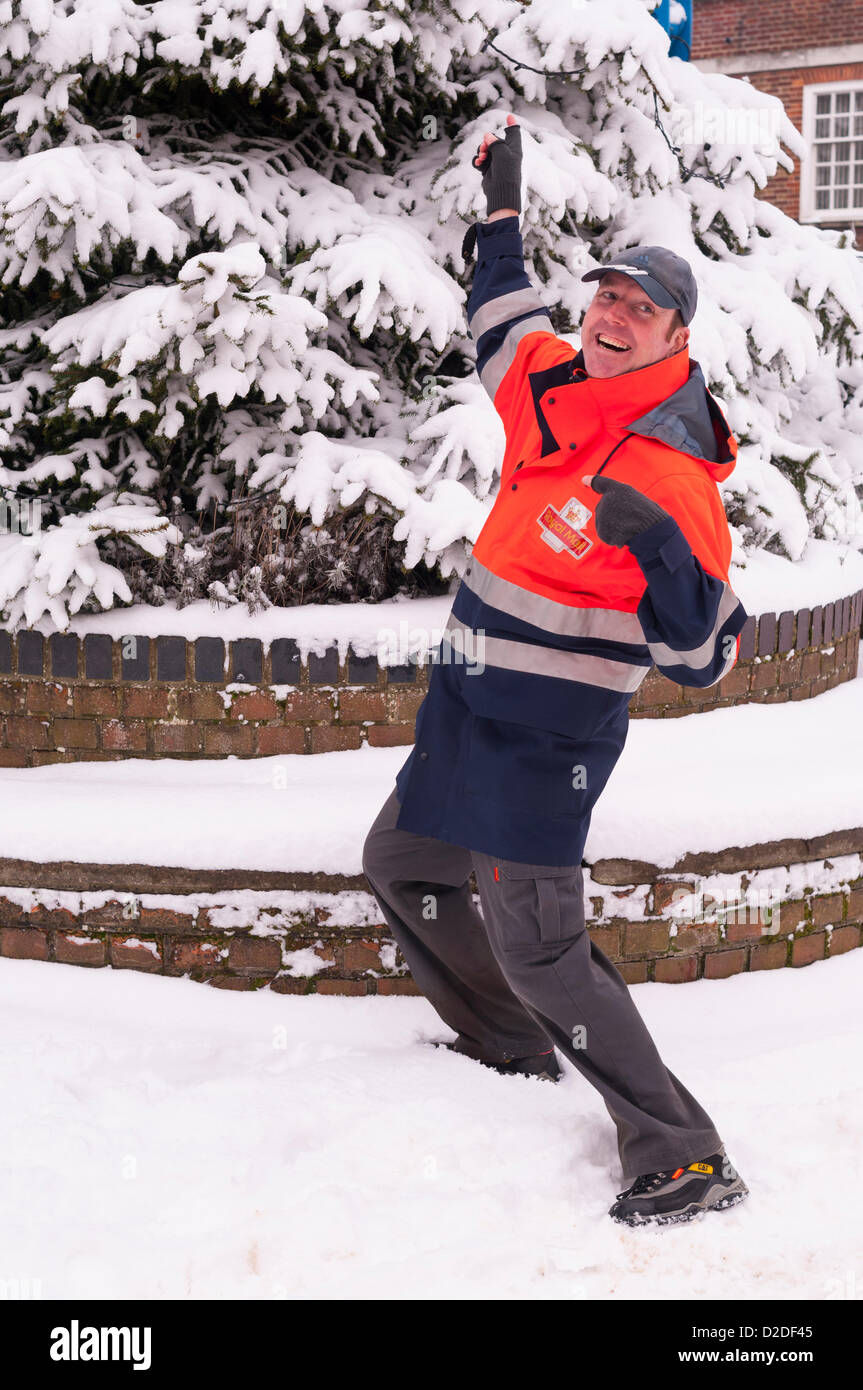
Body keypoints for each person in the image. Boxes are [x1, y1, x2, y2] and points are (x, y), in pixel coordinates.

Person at [362, 114, 751, 1226]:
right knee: (398, 861)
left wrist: (663, 553)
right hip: (464, 708)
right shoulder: (552, 378)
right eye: (606, 298)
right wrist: (498, 208)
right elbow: (498, 314)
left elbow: (702, 657)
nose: (612, 317)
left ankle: (679, 1149)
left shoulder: (671, 475)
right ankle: (505, 1041)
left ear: (676, 335)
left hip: (546, 745)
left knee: (540, 947)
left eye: (640, 309)